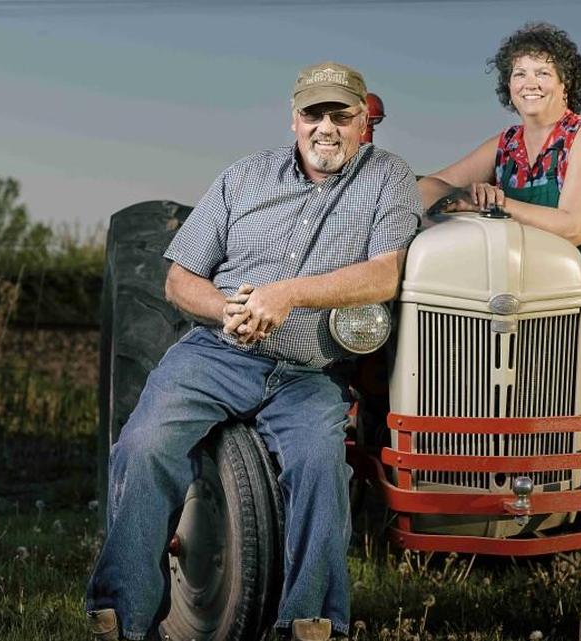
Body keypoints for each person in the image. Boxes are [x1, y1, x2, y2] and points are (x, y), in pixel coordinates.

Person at [85, 61, 421, 641]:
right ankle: (124, 615)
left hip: (310, 370)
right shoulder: (243, 177)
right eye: (314, 113)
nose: (326, 128)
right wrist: (226, 309)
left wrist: (287, 295)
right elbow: (178, 279)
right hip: (216, 355)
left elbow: (386, 273)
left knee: (321, 465)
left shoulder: (388, 178)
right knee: (143, 444)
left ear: (362, 122)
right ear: (295, 119)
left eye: (341, 115)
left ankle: (310, 621)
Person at [416, 23, 581, 641]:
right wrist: (454, 197)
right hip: (552, 313)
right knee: (558, 447)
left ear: (566, 84)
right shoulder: (507, 144)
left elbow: (572, 222)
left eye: (543, 74)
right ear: (506, 86)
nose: (530, 84)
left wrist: (499, 205)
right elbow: (428, 182)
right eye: (519, 74)